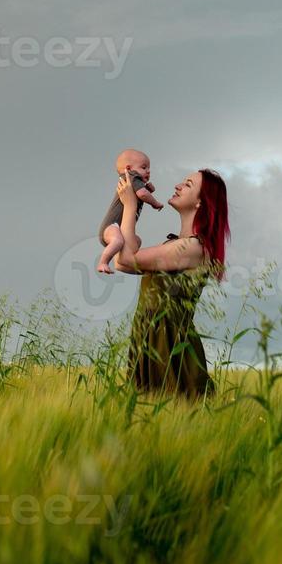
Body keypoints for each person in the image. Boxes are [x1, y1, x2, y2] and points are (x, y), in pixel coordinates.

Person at [112, 168, 229, 398]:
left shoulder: (193, 247)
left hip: (169, 347)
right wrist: (134, 202)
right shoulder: (173, 245)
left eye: (187, 184)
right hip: (149, 339)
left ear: (200, 203)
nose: (178, 185)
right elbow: (121, 263)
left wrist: (130, 206)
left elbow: (125, 258)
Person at [97, 148, 165, 274]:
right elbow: (142, 194)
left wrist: (147, 189)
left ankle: (130, 262)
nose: (148, 171)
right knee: (117, 241)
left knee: (137, 241)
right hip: (112, 226)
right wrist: (155, 203)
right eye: (144, 167)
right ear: (128, 169)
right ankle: (103, 262)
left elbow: (139, 194)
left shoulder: (133, 181)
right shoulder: (132, 176)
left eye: (149, 168)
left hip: (119, 228)